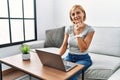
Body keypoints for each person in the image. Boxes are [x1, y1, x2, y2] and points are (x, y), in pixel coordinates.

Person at [59, 4, 95, 80]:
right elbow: (64, 45)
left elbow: (83, 49)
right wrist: (56, 57)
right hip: (69, 56)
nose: (76, 16)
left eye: (78, 12)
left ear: (83, 14)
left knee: (70, 75)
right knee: (59, 71)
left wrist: (78, 33)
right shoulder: (69, 28)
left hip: (84, 59)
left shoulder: (90, 29)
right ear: (71, 17)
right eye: (73, 14)